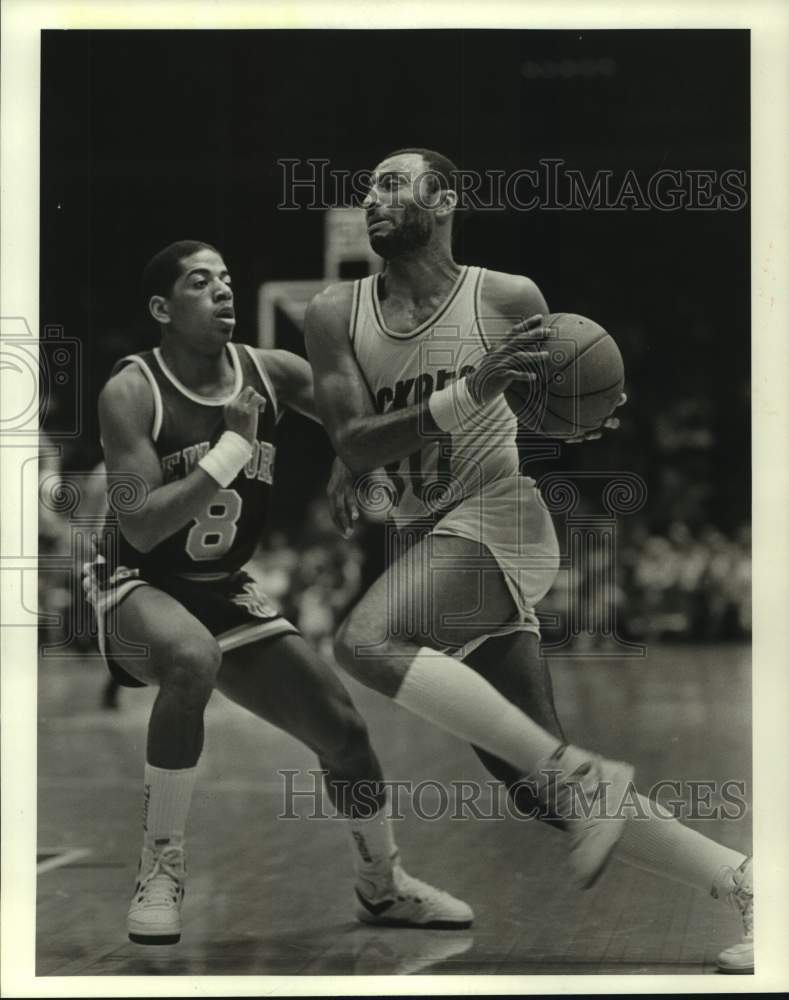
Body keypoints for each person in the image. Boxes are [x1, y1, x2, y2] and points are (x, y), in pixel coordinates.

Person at [304, 148, 753, 974]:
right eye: (367, 188)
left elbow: (554, 399)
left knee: (362, 642)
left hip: (497, 518)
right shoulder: (335, 311)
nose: (373, 199)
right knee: (538, 792)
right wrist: (364, 447)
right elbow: (352, 434)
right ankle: (748, 884)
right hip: (427, 539)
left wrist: (583, 411)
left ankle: (574, 770)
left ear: (444, 199)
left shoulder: (506, 297)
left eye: (393, 183)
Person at [84, 239, 472, 946]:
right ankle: (159, 869)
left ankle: (382, 887)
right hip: (133, 578)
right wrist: (231, 451)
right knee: (192, 658)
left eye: (228, 279)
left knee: (346, 735)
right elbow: (139, 528)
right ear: (161, 309)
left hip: (219, 584)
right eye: (202, 283)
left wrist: (351, 462)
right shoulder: (132, 390)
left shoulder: (272, 372)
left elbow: (357, 421)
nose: (224, 292)